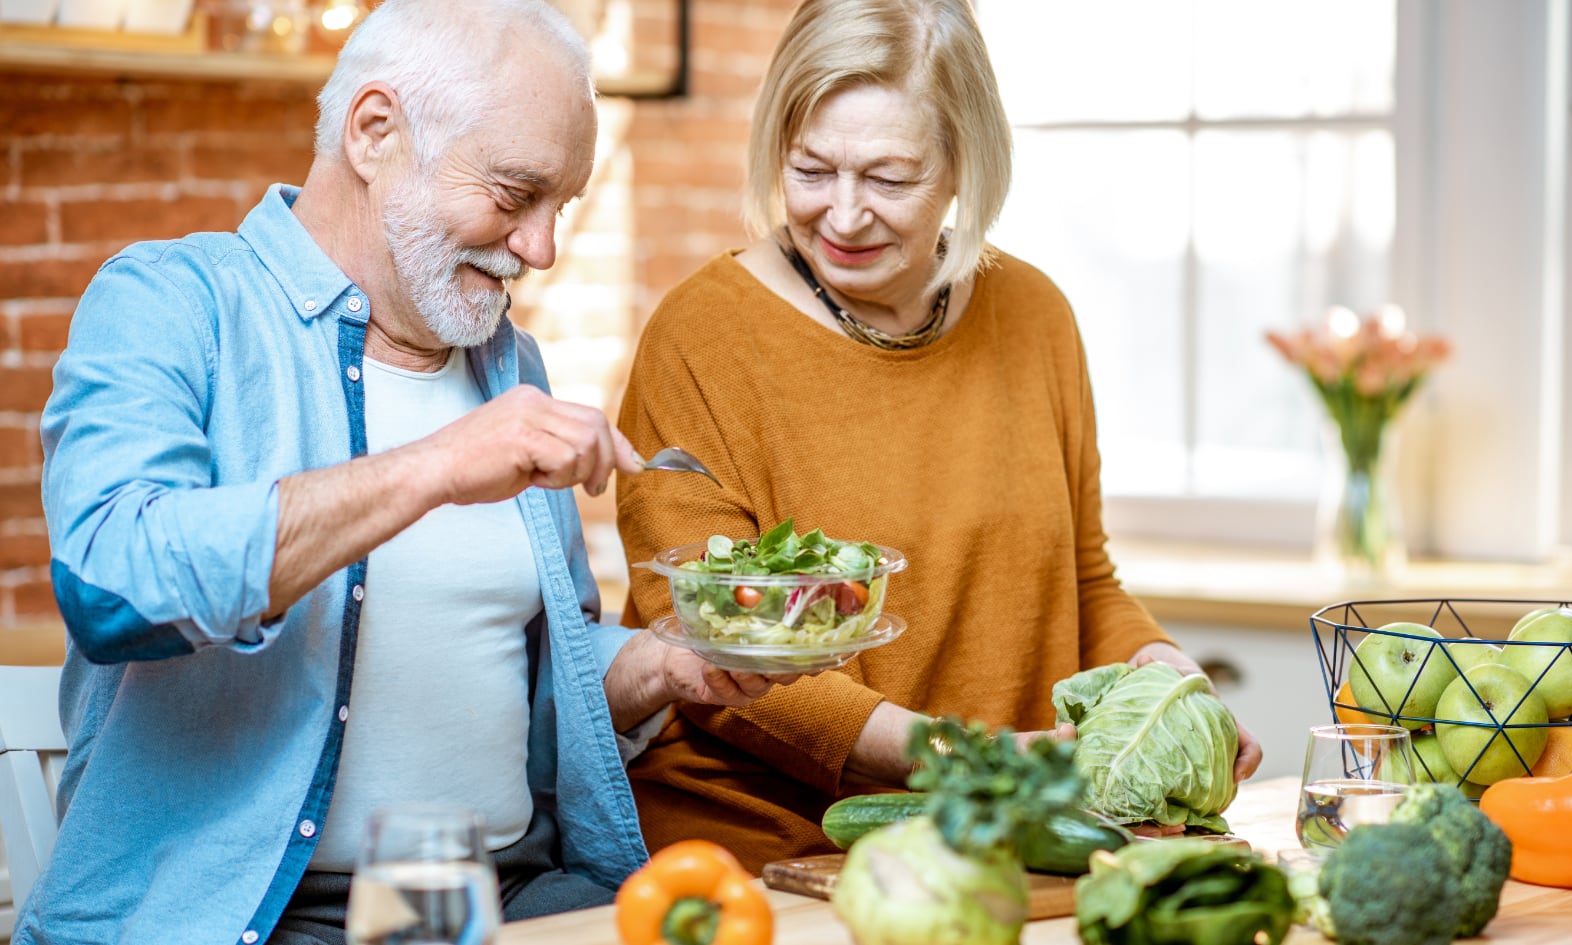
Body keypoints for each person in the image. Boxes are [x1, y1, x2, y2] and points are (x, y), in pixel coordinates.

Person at [24, 2, 791, 943]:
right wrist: (433, 466)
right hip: (247, 920)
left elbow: (524, 677)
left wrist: (665, 663)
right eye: (515, 195)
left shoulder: (509, 367)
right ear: (374, 130)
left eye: (563, 209)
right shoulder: (171, 303)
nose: (541, 248)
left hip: (512, 901)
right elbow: (113, 586)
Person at [614, 0, 1263, 874]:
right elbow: (707, 643)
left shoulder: (1035, 316)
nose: (843, 216)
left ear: (965, 166)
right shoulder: (701, 335)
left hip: (1004, 841)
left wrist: (1167, 685)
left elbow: (1083, 579)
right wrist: (964, 758)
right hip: (773, 857)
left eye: (888, 178)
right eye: (810, 170)